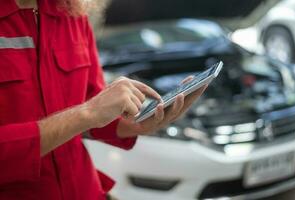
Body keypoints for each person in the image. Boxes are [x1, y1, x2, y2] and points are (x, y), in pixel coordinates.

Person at [0, 0, 207, 199]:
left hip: (84, 191)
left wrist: (137, 123)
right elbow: (88, 112)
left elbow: (93, 112)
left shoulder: (70, 12)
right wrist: (87, 113)